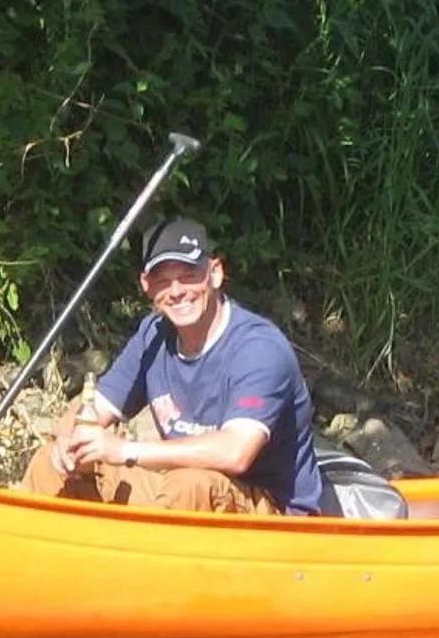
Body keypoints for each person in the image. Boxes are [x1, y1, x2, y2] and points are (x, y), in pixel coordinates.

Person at [23, 216, 324, 516]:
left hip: (271, 514)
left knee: (189, 484)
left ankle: (142, 558)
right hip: (184, 494)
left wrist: (125, 451)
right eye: (162, 280)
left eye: (189, 275)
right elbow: (95, 407)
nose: (176, 290)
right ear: (146, 286)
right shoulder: (153, 335)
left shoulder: (259, 349)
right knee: (50, 462)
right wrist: (68, 441)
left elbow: (236, 452)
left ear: (215, 273)